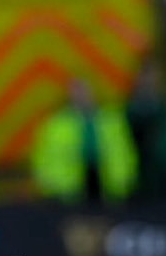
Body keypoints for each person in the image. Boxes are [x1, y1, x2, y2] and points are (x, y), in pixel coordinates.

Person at [31, 77, 137, 205]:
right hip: (68, 191)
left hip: (110, 190)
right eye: (75, 92)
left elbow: (124, 153)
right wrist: (48, 186)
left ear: (94, 92)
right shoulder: (56, 124)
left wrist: (125, 181)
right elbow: (44, 158)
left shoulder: (112, 120)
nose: (80, 96)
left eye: (84, 91)